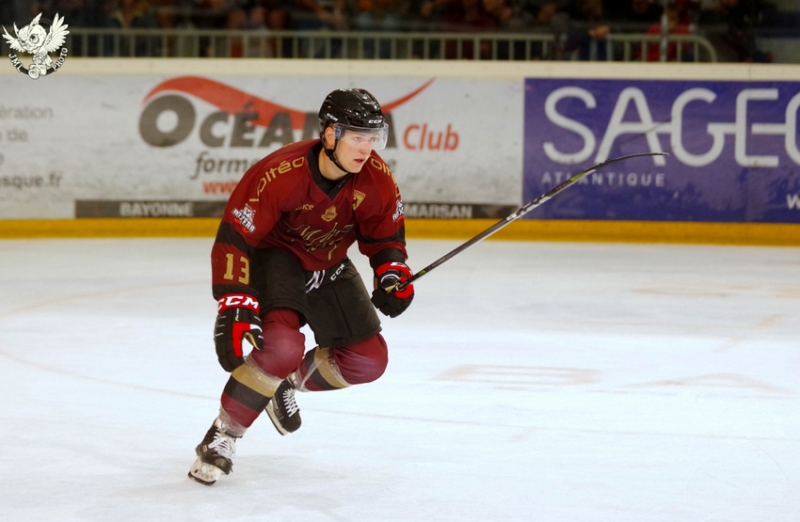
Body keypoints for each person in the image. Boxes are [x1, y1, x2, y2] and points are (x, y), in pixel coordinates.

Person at [188, 88, 415, 486]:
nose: (366, 148)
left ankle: (284, 383)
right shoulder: (280, 172)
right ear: (330, 134)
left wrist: (392, 273)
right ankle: (222, 436)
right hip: (278, 261)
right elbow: (236, 236)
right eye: (357, 137)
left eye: (372, 137)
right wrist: (234, 299)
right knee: (282, 346)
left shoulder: (376, 178)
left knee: (369, 360)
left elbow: (385, 236)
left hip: (329, 262)